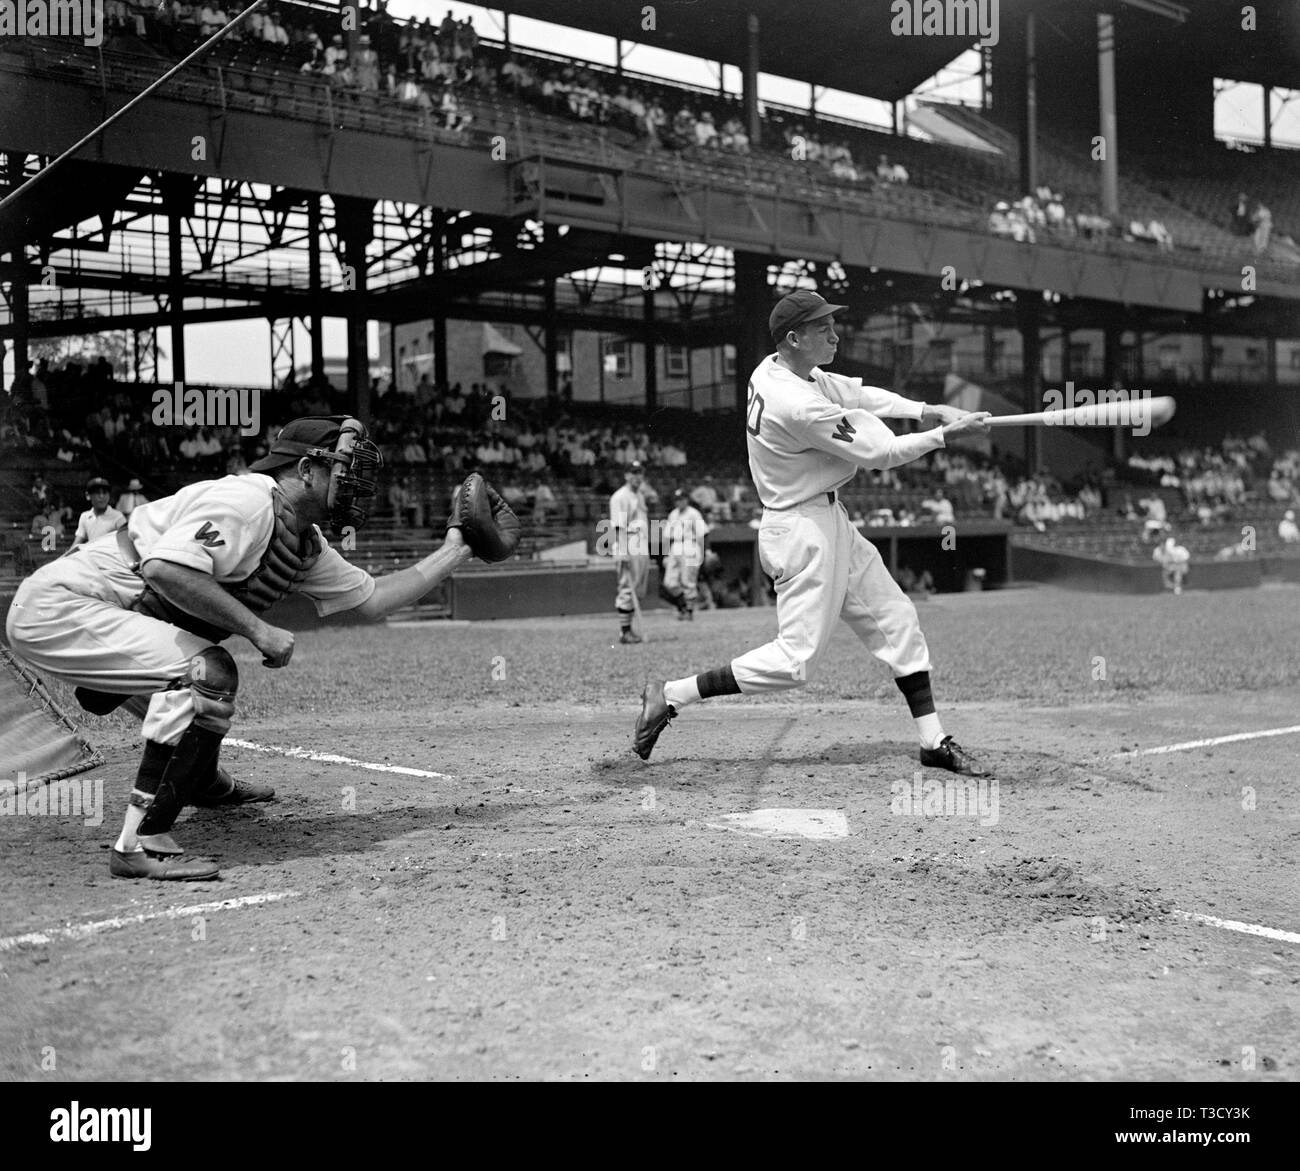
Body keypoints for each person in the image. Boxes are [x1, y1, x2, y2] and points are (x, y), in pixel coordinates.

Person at [5, 417, 517, 881]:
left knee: (202, 678)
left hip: (112, 608)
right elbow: (164, 569)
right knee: (211, 672)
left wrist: (458, 547)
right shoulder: (248, 502)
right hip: (63, 604)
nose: (356, 485)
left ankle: (200, 782)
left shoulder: (301, 538)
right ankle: (140, 843)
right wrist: (258, 630)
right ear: (307, 470)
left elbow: (375, 599)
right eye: (346, 470)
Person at [633, 291, 993, 776]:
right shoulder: (795, 403)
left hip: (829, 519)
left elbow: (857, 392)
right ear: (793, 338)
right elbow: (881, 453)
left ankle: (932, 740)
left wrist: (929, 410)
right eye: (822, 328)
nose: (835, 334)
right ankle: (672, 694)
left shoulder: (775, 368)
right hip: (801, 529)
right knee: (793, 663)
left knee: (898, 620)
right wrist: (946, 436)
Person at [609, 461, 649, 644]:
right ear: (626, 475)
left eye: (640, 473)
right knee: (628, 588)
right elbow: (619, 527)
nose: (637, 476)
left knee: (638, 589)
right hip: (628, 543)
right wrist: (623, 551)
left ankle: (629, 630)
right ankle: (624, 632)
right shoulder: (620, 497)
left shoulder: (639, 495)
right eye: (633, 472)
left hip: (640, 543)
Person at [659, 489, 709, 621]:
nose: (679, 502)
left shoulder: (694, 513)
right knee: (669, 583)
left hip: (690, 546)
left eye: (682, 499)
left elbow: (701, 534)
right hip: (675, 546)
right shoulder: (673, 514)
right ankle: (683, 606)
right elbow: (667, 536)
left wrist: (703, 552)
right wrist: (665, 555)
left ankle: (689, 611)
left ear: (687, 499)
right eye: (677, 499)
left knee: (688, 582)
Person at [72, 477, 126, 547]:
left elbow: (127, 541)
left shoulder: (118, 517)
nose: (101, 496)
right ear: (88, 496)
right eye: (97, 493)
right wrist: (64, 557)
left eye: (105, 492)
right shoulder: (85, 516)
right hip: (92, 555)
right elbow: (77, 543)